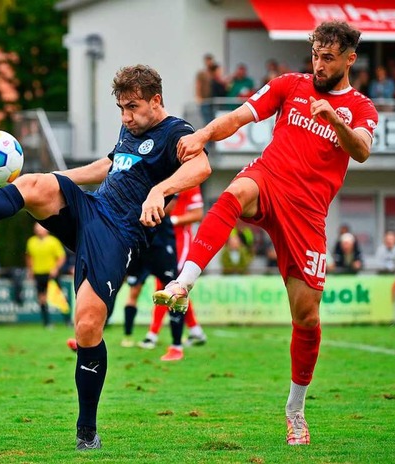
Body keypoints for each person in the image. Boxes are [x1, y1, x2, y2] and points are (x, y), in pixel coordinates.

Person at [0, 64, 211, 450]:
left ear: (156, 100)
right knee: (36, 183)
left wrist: (161, 190)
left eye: (133, 107)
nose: (126, 116)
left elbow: (202, 165)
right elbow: (107, 166)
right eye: (121, 107)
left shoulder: (177, 132)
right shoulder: (129, 129)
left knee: (87, 326)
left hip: (121, 235)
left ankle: (87, 432)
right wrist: (59, 178)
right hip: (92, 211)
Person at [153, 21, 377, 446]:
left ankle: (295, 409)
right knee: (233, 194)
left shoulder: (361, 108)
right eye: (315, 54)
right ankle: (183, 282)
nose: (319, 64)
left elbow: (361, 151)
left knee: (307, 318)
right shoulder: (290, 85)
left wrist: (334, 119)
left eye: (328, 58)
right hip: (270, 178)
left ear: (350, 59)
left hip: (309, 214)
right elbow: (239, 117)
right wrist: (201, 134)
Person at [139, 186, 208, 350]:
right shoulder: (164, 176)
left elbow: (197, 214)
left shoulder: (190, 181)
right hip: (161, 240)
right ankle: (195, 330)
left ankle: (153, 334)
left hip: (180, 242)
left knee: (170, 285)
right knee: (167, 285)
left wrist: (172, 220)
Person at [120, 214, 186, 361]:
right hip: (141, 244)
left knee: (173, 291)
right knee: (133, 290)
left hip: (161, 245)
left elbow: (171, 205)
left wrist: (153, 206)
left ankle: (176, 346)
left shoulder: (163, 190)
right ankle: (127, 336)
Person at [25, 222, 66, 327]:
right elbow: (29, 257)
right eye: (37, 228)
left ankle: (67, 320)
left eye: (41, 228)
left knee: (59, 296)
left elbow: (61, 257)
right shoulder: (31, 242)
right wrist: (30, 270)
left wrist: (55, 268)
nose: (39, 230)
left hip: (51, 274)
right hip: (39, 273)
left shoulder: (53, 241)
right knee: (41, 298)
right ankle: (46, 322)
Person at [196, 53, 216, 125]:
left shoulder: (214, 72)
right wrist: (198, 96)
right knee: (207, 120)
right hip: (205, 100)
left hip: (213, 100)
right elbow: (198, 85)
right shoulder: (202, 73)